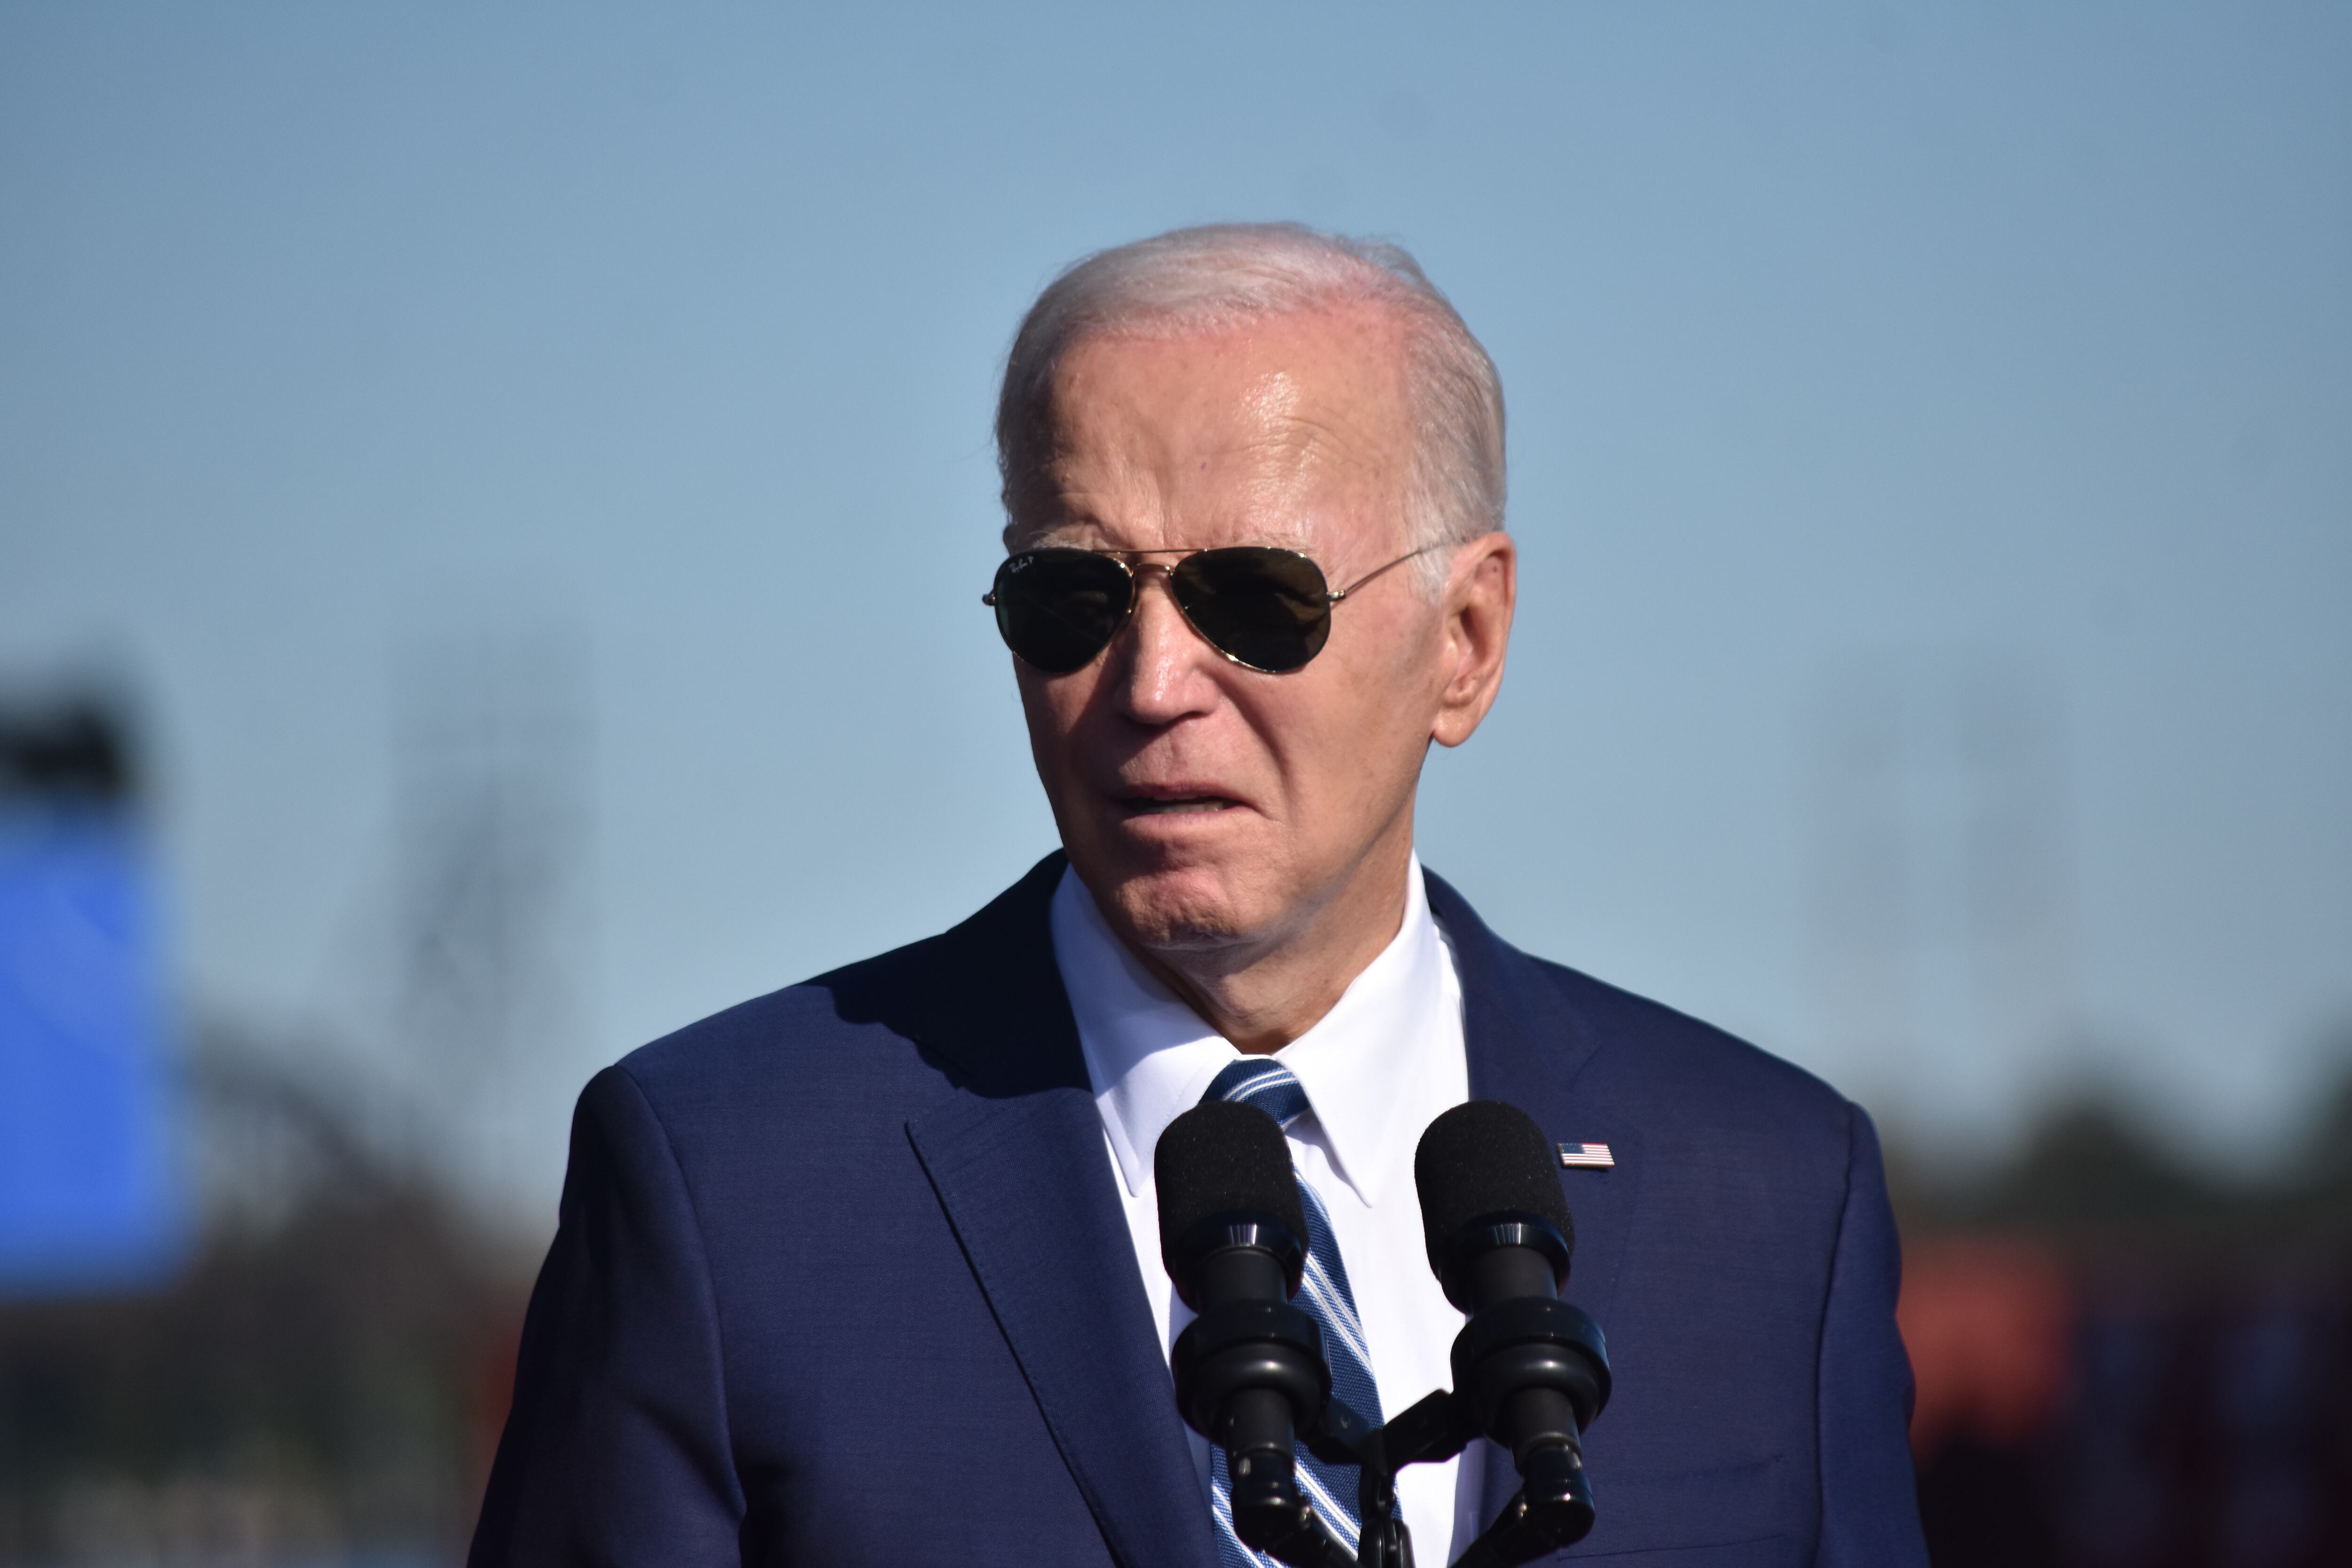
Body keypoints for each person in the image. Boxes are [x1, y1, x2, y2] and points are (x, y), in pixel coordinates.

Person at [469, 224, 1928, 1568]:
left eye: (1256, 601)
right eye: (1072, 601)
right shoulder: (730, 1188)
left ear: (1466, 639)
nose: (1156, 688)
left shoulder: (1773, 1198)